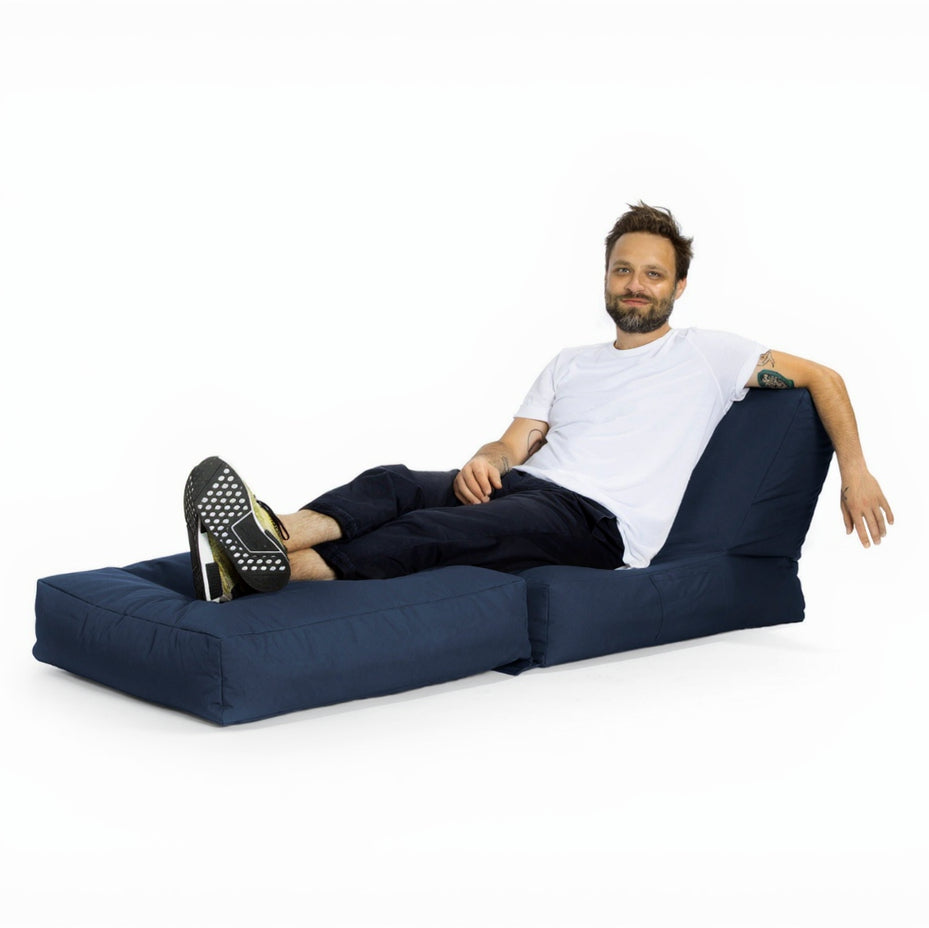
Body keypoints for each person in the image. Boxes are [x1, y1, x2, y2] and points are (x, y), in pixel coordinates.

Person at [183, 202, 893, 602]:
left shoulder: (710, 355)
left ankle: (266, 568)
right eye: (623, 270)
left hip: (599, 526)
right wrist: (483, 460)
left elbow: (822, 377)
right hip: (528, 488)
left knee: (440, 531)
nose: (635, 285)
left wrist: (853, 471)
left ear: (678, 288)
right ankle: (266, 536)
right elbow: (511, 444)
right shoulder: (569, 363)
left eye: (653, 274)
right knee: (394, 484)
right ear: (605, 279)